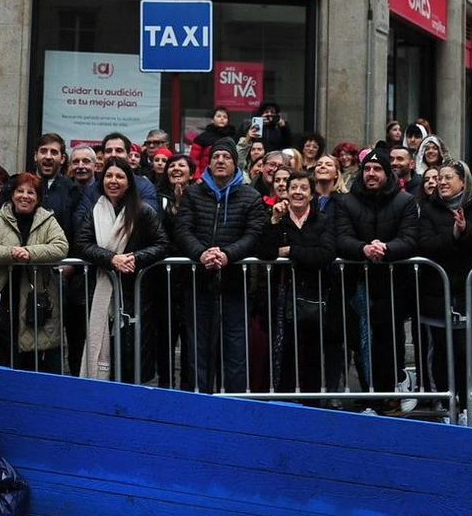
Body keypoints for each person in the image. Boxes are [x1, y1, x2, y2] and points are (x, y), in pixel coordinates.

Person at [174, 140, 266, 394]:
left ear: (235, 163)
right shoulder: (193, 193)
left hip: (234, 284)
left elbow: (253, 234)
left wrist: (227, 255)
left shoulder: (250, 196)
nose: (221, 160)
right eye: (216, 156)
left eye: (226, 156)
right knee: (198, 349)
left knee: (235, 350)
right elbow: (182, 230)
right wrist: (201, 253)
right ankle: (200, 402)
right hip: (199, 284)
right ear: (209, 162)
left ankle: (233, 403)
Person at [332, 143, 418, 406]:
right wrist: (364, 249)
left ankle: (388, 396)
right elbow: (342, 237)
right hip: (357, 285)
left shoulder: (405, 201)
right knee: (361, 343)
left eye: (377, 169)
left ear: (387, 173)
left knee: (389, 344)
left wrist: (386, 249)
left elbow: (409, 239)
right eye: (367, 168)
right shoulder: (347, 201)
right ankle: (368, 399)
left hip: (392, 287)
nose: (371, 173)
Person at [72, 159, 168, 382]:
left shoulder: (143, 211)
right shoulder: (95, 210)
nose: (113, 181)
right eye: (108, 176)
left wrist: (134, 258)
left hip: (135, 296)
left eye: (119, 176)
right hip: (102, 294)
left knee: (132, 360)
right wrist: (111, 259)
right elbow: (81, 243)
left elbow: (162, 244)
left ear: (129, 182)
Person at [415, 159, 472, 414]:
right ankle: (443, 406)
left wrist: (466, 229)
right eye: (440, 178)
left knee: (466, 354)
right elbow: (424, 244)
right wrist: (452, 236)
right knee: (440, 353)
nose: (441, 182)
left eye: (448, 177)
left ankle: (465, 407)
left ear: (463, 181)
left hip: (470, 295)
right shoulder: (429, 209)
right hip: (437, 294)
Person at [0, 172, 69, 373]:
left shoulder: (47, 220)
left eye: (31, 192)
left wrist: (30, 253)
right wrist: (11, 253)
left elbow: (61, 247)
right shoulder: (0, 218)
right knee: (1, 356)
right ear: (12, 195)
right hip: (4, 296)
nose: (25, 196)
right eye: (20, 191)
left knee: (30, 359)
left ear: (38, 198)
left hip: (35, 297)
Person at [260, 169, 338, 395]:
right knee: (285, 351)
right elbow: (265, 252)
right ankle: (285, 402)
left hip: (315, 294)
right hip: (285, 295)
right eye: (293, 187)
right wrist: (274, 220)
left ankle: (311, 403)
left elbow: (326, 253)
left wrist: (291, 251)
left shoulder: (322, 220)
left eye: (303, 188)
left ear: (311, 194)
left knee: (313, 353)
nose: (298, 192)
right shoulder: (280, 220)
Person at [189, 108, 238, 172]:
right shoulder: (202, 137)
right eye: (219, 116)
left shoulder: (233, 137)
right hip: (205, 175)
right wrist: (197, 176)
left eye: (225, 117)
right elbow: (194, 160)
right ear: (212, 120)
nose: (222, 119)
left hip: (228, 175)